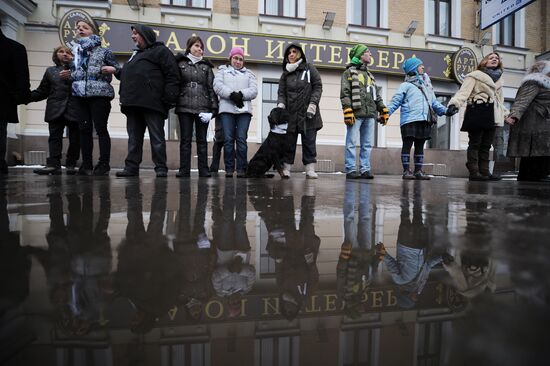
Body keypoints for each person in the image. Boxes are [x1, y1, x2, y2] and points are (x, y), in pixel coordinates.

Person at [115, 24, 180, 178]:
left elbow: (173, 75)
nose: (132, 36)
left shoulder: (161, 51)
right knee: (134, 138)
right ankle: (131, 167)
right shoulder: (135, 54)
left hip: (153, 104)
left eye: (136, 33)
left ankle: (160, 168)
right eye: (132, 33)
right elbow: (128, 74)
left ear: (145, 35)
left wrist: (168, 99)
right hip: (132, 103)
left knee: (157, 138)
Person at [64, 19, 120, 176]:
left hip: (100, 95)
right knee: (84, 129)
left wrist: (113, 69)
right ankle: (86, 164)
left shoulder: (104, 52)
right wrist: (69, 75)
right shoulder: (76, 53)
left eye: (85, 27)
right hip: (80, 95)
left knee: (101, 129)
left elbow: (118, 69)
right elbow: (76, 74)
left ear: (93, 32)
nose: (80, 29)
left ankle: (104, 164)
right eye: (78, 28)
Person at [386, 57, 453, 180]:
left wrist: (446, 111)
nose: (423, 67)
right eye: (420, 65)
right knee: (407, 145)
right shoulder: (405, 85)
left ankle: (418, 171)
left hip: (424, 120)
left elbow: (434, 103)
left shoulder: (426, 86)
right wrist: (386, 113)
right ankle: (406, 171)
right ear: (413, 68)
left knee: (420, 146)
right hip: (409, 120)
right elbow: (395, 101)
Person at [448, 53, 508, 181]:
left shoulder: (499, 81)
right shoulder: (474, 76)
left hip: (493, 114)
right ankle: (474, 172)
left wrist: (507, 115)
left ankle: (485, 172)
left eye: (496, 58)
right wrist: (455, 104)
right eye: (491, 58)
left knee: (486, 145)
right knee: (475, 143)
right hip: (477, 111)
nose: (494, 59)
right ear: (484, 61)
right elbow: (463, 92)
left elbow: (500, 101)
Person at [29, 46, 80, 175]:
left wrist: (72, 71)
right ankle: (54, 165)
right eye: (61, 52)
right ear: (55, 55)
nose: (64, 54)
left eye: (67, 52)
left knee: (75, 138)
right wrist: (25, 97)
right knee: (54, 137)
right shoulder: (50, 71)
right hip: (55, 108)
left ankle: (71, 164)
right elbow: (42, 91)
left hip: (74, 108)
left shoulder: (78, 69)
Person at [340, 44, 387, 179]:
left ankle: (365, 169)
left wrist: (383, 109)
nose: (370, 54)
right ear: (360, 55)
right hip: (356, 113)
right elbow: (345, 93)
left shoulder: (369, 75)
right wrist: (347, 110)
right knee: (351, 142)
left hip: (370, 114)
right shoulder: (348, 72)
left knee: (367, 144)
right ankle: (350, 169)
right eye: (367, 52)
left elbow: (375, 95)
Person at [277, 44, 323, 179]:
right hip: (290, 114)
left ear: (300, 54)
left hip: (308, 113)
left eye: (294, 52)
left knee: (309, 141)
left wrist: (313, 103)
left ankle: (310, 169)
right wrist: (281, 104)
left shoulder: (310, 69)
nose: (291, 54)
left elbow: (318, 86)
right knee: (289, 142)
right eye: (289, 53)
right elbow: (281, 92)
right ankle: (286, 168)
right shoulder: (285, 74)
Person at [175, 36, 218, 178]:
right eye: (197, 46)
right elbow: (174, 84)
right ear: (189, 47)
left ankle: (204, 170)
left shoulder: (206, 67)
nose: (200, 49)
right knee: (185, 140)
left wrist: (213, 111)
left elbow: (211, 89)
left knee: (202, 141)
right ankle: (184, 170)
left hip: (203, 108)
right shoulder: (180, 63)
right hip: (184, 106)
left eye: (201, 47)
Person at [213, 47, 258, 178]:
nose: (238, 61)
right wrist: (231, 94)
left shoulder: (249, 74)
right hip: (226, 110)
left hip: (244, 112)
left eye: (240, 59)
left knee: (241, 139)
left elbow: (254, 90)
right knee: (228, 139)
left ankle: (241, 169)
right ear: (230, 58)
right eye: (235, 58)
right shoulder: (222, 71)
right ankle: (229, 168)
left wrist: (241, 94)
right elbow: (217, 86)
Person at [505, 60, 550, 182]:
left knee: (541, 151)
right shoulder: (534, 81)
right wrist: (514, 115)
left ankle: (538, 176)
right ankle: (531, 180)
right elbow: (522, 100)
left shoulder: (546, 83)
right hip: (534, 123)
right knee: (535, 151)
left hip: (543, 122)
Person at [0, 21, 31, 175]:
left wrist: (22, 96)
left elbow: (22, 79)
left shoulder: (15, 48)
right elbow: (22, 79)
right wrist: (21, 97)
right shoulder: (15, 48)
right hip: (4, 100)